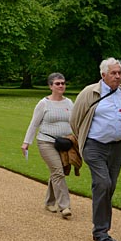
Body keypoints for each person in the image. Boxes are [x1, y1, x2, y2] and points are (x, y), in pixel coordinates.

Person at [70, 57, 121, 241]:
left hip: (117, 147)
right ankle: (100, 232)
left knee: (109, 187)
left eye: (119, 73)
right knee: (103, 183)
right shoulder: (90, 92)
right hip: (95, 146)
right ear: (103, 75)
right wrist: (83, 140)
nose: (117, 76)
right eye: (113, 73)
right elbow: (75, 119)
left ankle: (103, 230)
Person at [21, 73, 75, 218]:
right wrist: (26, 142)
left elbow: (75, 122)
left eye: (63, 83)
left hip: (64, 143)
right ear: (50, 86)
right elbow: (34, 124)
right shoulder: (44, 103)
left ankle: (49, 202)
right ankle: (65, 206)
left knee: (56, 172)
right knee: (58, 171)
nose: (61, 86)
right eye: (57, 83)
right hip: (46, 142)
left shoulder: (69, 103)